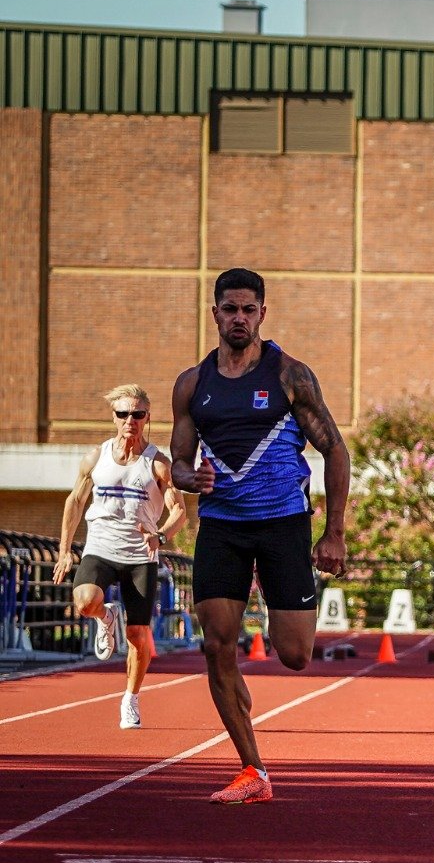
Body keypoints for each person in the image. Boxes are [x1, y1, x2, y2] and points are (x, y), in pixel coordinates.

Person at [170, 268, 350, 804]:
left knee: (294, 653)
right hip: (222, 526)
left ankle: (278, 619)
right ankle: (253, 770)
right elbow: (178, 461)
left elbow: (335, 450)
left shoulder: (290, 375)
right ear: (216, 313)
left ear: (262, 314)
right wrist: (186, 477)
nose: (239, 318)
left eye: (249, 309)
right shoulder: (192, 384)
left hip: (283, 525)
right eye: (230, 309)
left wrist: (333, 531)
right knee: (216, 645)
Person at [51, 384, 186, 729]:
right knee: (84, 601)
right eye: (124, 414)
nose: (131, 420)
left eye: (138, 414)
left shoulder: (157, 464)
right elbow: (75, 502)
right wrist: (65, 550)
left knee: (139, 635)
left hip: (141, 555)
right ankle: (105, 616)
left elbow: (179, 511)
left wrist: (161, 536)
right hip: (101, 547)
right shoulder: (96, 458)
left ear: (147, 418)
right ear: (114, 418)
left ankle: (131, 698)